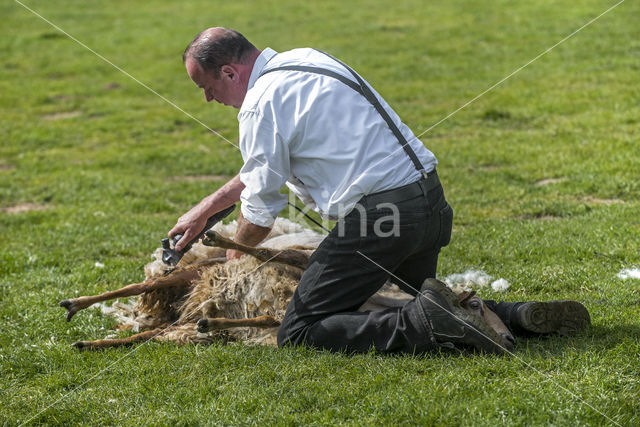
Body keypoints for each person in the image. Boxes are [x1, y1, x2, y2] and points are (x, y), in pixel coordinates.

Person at [169, 27, 590, 354]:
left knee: (298, 329)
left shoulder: (261, 104)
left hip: (383, 219)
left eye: (207, 86)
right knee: (409, 295)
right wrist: (208, 208)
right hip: (428, 203)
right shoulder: (305, 59)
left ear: (229, 72)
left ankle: (425, 325)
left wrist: (232, 258)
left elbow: (259, 213)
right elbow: (264, 166)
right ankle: (514, 316)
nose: (208, 98)